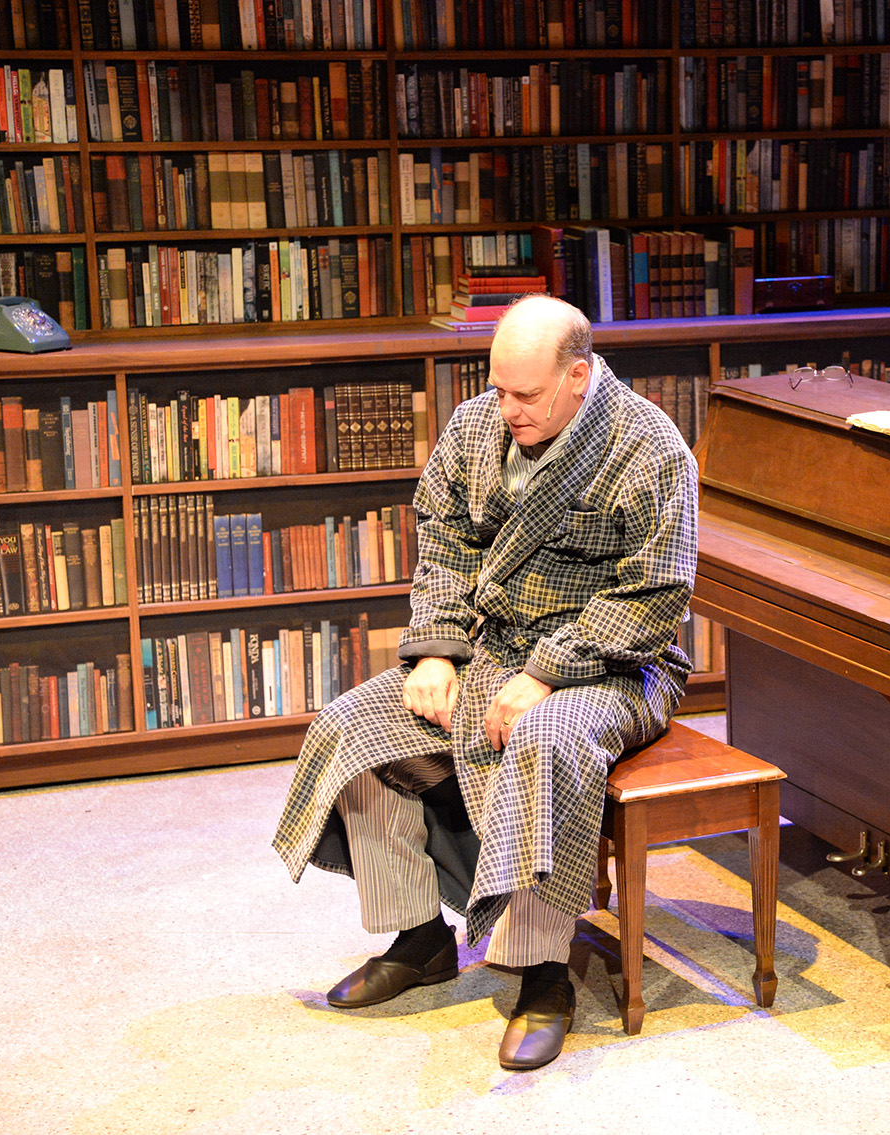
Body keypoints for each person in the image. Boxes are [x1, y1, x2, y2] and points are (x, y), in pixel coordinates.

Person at [271, 294, 698, 1071]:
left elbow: (655, 596)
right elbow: (441, 538)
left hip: (613, 664)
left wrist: (548, 671)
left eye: (524, 395)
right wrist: (436, 651)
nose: (505, 408)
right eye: (498, 387)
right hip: (485, 649)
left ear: (578, 376)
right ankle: (421, 936)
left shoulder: (650, 448)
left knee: (541, 739)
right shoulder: (478, 425)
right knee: (355, 726)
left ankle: (543, 974)